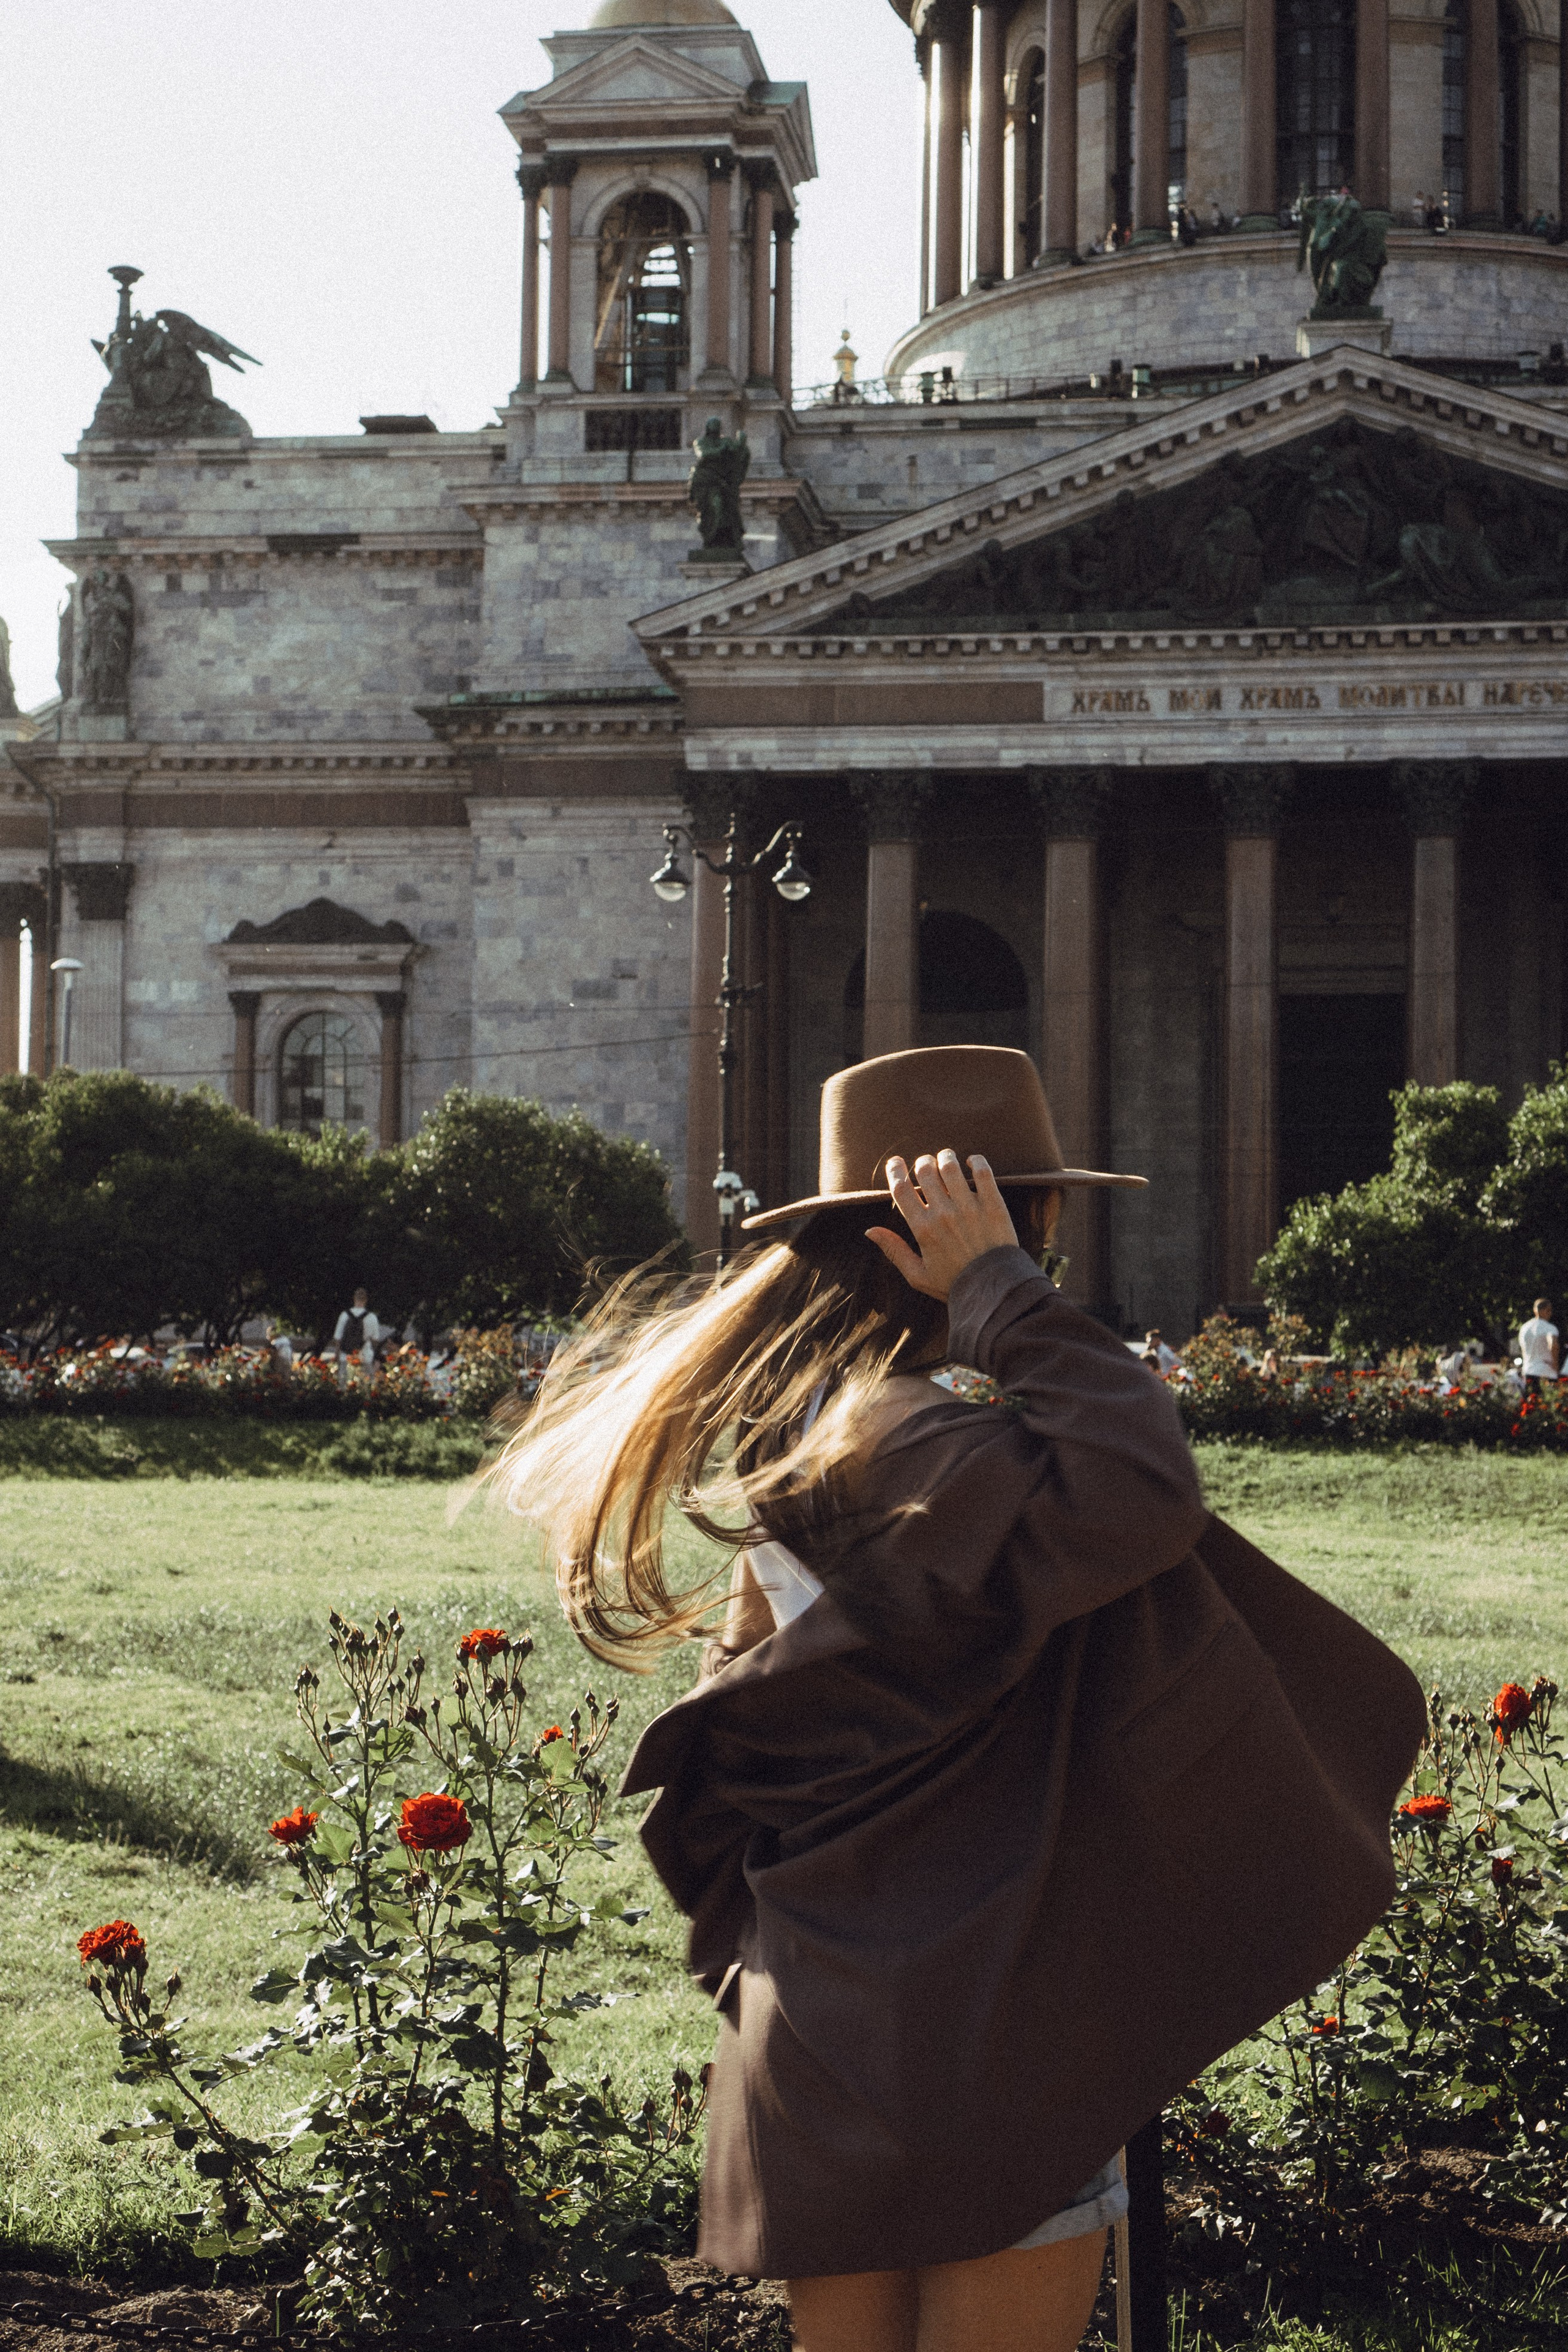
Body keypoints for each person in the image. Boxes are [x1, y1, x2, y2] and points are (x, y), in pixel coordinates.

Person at [498, 1046, 1424, 2352]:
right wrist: (1002, 1293)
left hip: (820, 2015)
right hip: (986, 2030)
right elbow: (1143, 1483)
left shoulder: (808, 1444)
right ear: (985, 1222)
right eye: (1029, 1216)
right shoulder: (938, 1447)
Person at [333, 1287, 383, 1370]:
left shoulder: (344, 1315)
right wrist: (377, 1358)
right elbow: (375, 1341)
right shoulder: (372, 1317)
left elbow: (338, 1339)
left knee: (344, 1382)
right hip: (365, 1357)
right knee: (364, 1382)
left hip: (345, 1357)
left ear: (354, 1298)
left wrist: (336, 1357)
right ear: (366, 1300)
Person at [1518, 1297, 1560, 1384]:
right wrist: (1555, 1366)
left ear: (1535, 1310)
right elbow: (1553, 1345)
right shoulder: (1550, 1328)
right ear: (1546, 1311)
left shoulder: (1525, 1328)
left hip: (1528, 1371)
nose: (1550, 1313)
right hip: (1546, 1372)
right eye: (1549, 1310)